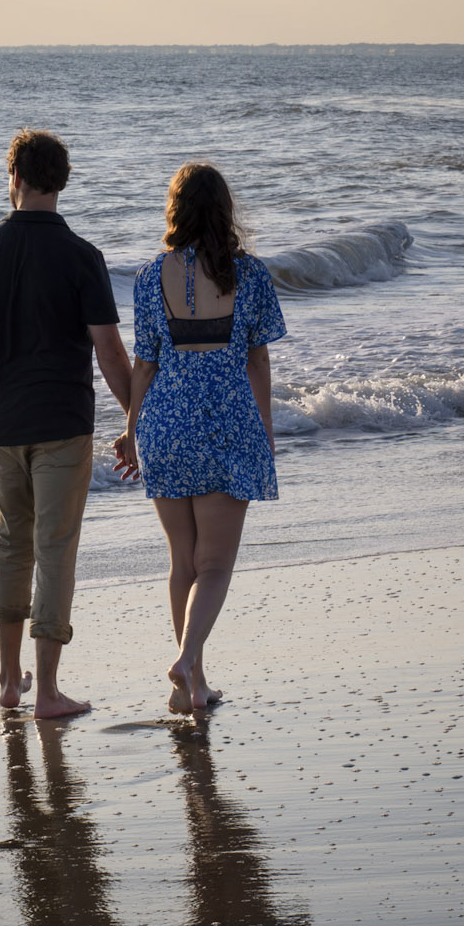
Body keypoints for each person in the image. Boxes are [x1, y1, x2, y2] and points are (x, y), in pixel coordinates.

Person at [0, 128, 132, 718]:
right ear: (60, 182)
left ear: (13, 178)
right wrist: (137, 417)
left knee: (12, 547)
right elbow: (111, 352)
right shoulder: (83, 256)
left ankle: (12, 681)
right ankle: (51, 692)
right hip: (64, 423)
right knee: (55, 549)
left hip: (1, 427)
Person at [115, 162, 286, 714]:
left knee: (182, 563)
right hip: (226, 422)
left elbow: (144, 365)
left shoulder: (148, 277)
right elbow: (257, 359)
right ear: (224, 210)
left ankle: (193, 685)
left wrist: (130, 429)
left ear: (176, 210)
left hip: (166, 424)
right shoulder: (251, 274)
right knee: (214, 566)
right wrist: (265, 427)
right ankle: (188, 662)